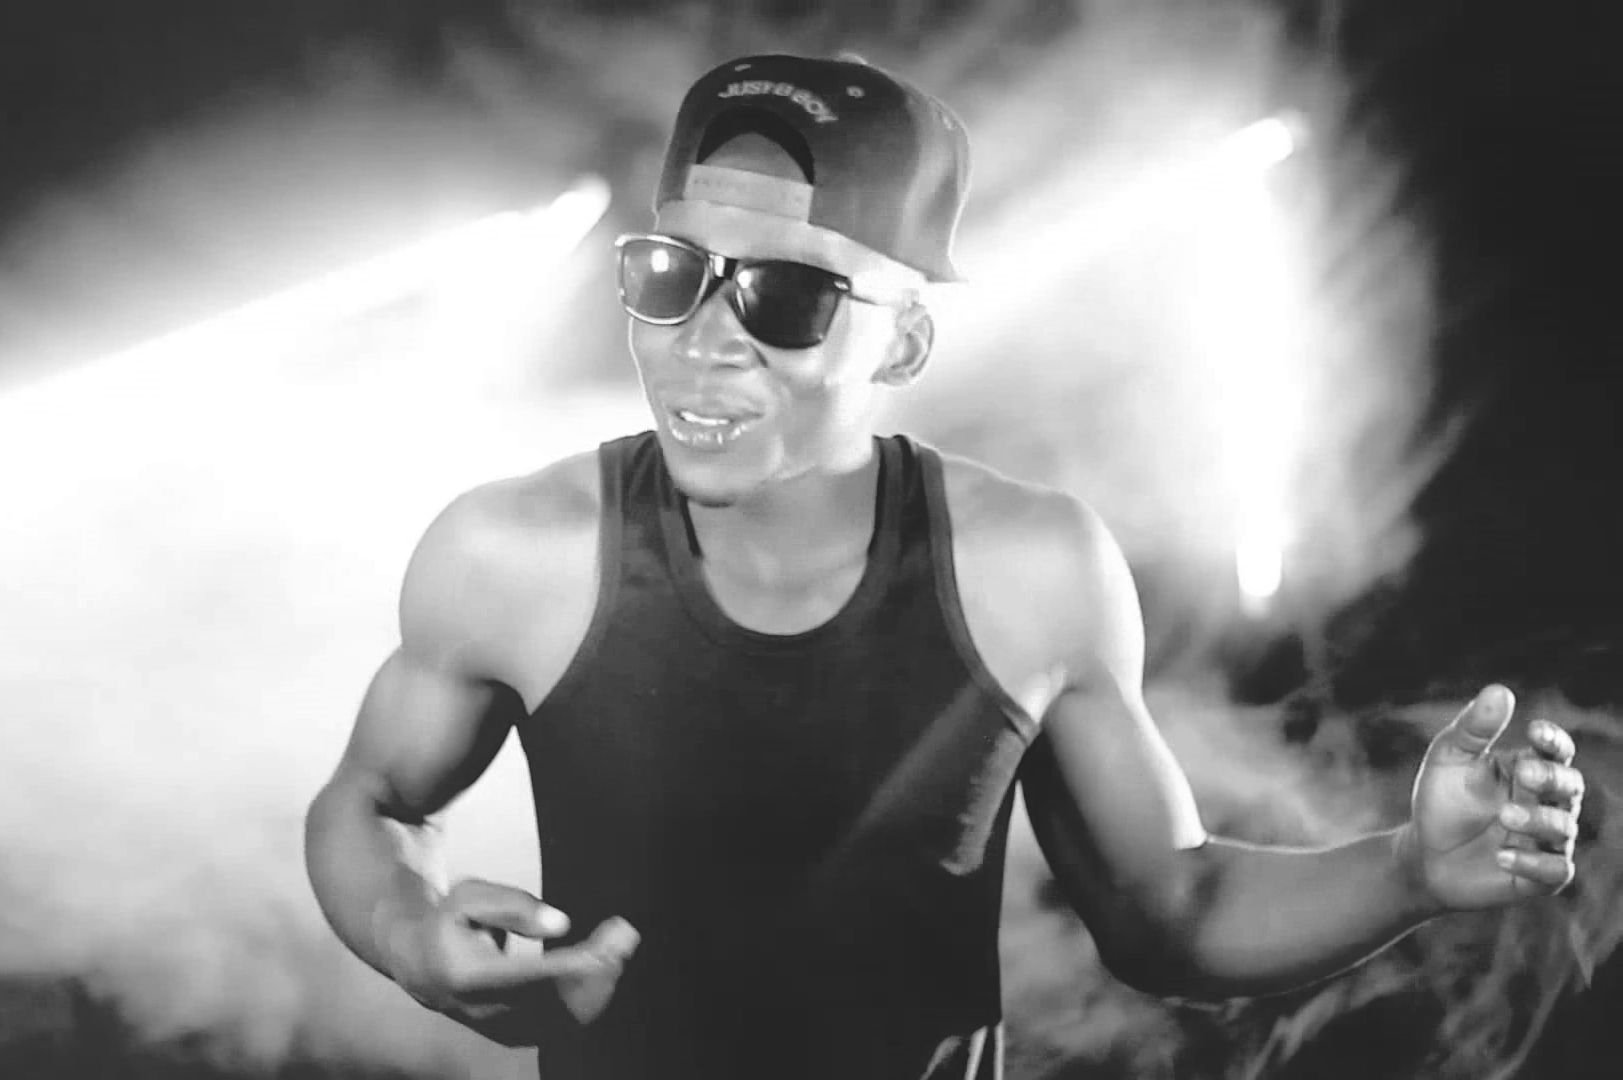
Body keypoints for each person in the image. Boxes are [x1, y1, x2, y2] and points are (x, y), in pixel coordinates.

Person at [303, 53, 1586, 1080]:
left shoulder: (1031, 573)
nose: (706, 342)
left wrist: (1406, 873)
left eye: (785, 299)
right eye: (673, 274)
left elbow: (1171, 914)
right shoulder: (510, 555)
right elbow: (368, 802)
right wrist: (408, 931)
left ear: (904, 344)